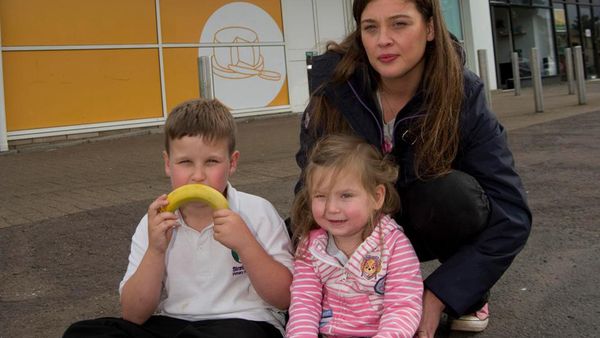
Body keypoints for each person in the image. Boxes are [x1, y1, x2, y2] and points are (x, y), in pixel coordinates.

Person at [294, 0, 532, 336]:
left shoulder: (463, 94)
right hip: (359, 220)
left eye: (400, 24)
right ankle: (347, 291)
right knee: (295, 222)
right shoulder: (334, 90)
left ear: (430, 28)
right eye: (370, 27)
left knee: (455, 197)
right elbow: (308, 185)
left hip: (429, 218)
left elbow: (512, 215)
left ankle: (469, 293)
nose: (383, 40)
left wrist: (438, 295)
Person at [63, 99, 294, 338]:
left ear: (232, 163)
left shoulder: (257, 211)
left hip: (246, 322)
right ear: (167, 164)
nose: (197, 175)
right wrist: (155, 250)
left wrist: (246, 244)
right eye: (185, 162)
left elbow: (285, 299)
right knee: (83, 333)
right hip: (175, 322)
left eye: (211, 162)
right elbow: (134, 314)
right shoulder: (156, 221)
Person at [286, 134, 423, 337]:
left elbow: (403, 306)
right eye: (321, 196)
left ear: (377, 197)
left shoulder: (394, 246)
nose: (332, 208)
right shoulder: (311, 246)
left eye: (346, 195)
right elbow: (304, 303)